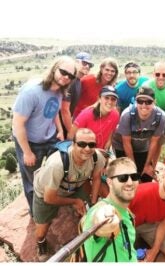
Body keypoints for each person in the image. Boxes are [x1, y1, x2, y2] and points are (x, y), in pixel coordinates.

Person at [12, 56, 77, 215]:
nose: (66, 77)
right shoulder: (32, 91)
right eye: (63, 72)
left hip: (49, 138)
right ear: (54, 68)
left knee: (58, 169)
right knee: (32, 180)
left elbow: (53, 110)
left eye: (71, 76)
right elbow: (17, 124)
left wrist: (60, 130)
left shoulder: (59, 90)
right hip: (30, 141)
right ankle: (36, 213)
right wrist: (27, 152)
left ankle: (51, 200)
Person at [32, 128, 106, 261]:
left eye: (91, 145)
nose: (87, 149)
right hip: (46, 192)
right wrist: (75, 201)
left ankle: (84, 225)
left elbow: (96, 178)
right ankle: (41, 243)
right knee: (42, 229)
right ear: (73, 144)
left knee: (89, 211)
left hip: (75, 184)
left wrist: (93, 202)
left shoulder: (96, 158)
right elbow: (49, 198)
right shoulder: (57, 164)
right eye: (82, 144)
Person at [82, 157, 139, 262]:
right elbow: (99, 220)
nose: (130, 182)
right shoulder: (100, 209)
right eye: (123, 178)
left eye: (134, 177)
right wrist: (104, 220)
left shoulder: (127, 213)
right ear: (110, 182)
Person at [129, 164, 165, 262]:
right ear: (163, 176)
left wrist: (154, 250)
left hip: (150, 225)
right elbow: (120, 213)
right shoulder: (142, 192)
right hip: (128, 225)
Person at [112, 86, 165, 181]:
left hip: (143, 146)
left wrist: (148, 165)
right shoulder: (127, 115)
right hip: (122, 146)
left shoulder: (161, 117)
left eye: (148, 102)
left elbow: (155, 142)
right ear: (135, 102)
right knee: (127, 176)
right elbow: (126, 143)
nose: (144, 105)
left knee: (146, 177)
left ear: (154, 101)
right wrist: (133, 169)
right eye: (140, 101)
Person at [69, 85, 120, 151]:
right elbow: (71, 136)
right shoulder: (86, 114)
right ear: (99, 98)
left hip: (101, 152)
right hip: (84, 151)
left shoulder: (115, 115)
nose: (110, 102)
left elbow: (111, 132)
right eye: (106, 98)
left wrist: (108, 144)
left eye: (113, 99)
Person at [60, 52, 94, 138]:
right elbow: (64, 110)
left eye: (89, 65)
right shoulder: (70, 80)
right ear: (76, 62)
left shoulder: (78, 81)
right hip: (58, 126)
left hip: (64, 125)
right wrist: (71, 132)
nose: (87, 66)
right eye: (84, 63)